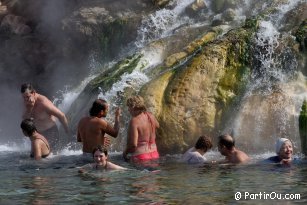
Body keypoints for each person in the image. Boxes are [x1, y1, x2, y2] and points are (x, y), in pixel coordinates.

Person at [21, 83, 69, 152]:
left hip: (50, 132)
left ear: (33, 93)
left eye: (28, 97)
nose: (26, 100)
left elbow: (61, 115)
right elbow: (24, 120)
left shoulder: (43, 103)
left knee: (50, 156)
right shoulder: (26, 102)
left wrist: (67, 132)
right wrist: (29, 109)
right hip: (36, 134)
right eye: (24, 97)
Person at [123, 95, 160, 162]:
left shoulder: (134, 121)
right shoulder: (150, 115)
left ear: (133, 107)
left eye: (129, 107)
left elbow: (133, 145)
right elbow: (157, 125)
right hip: (155, 154)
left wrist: (125, 153)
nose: (128, 110)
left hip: (141, 156)